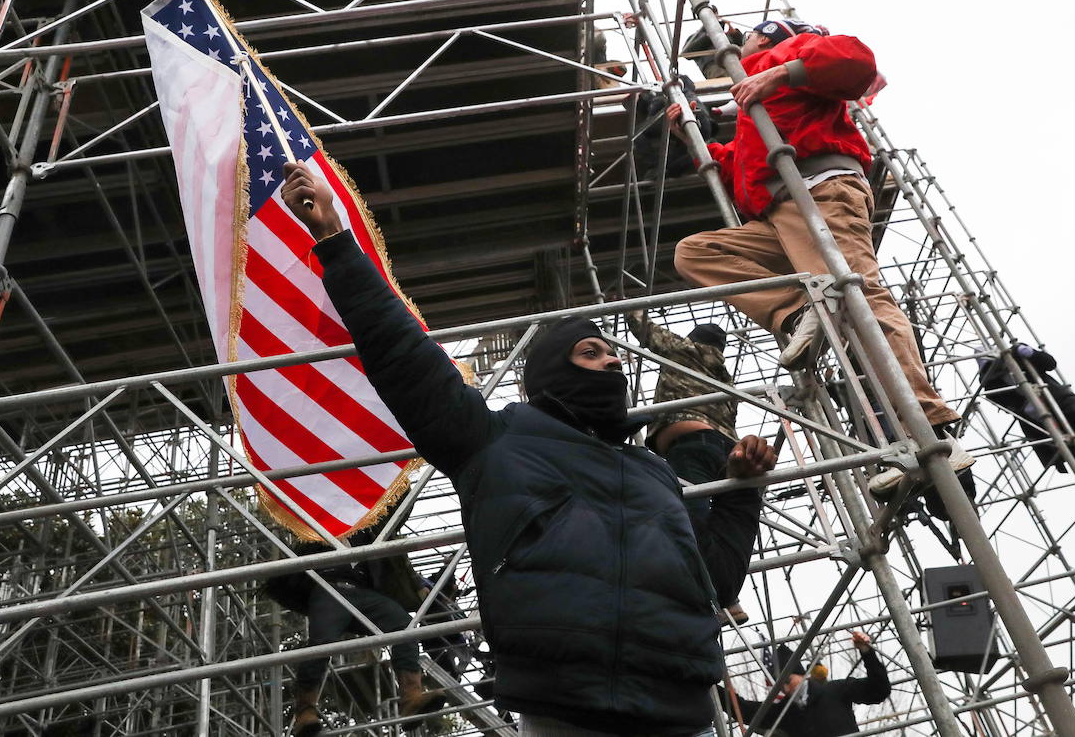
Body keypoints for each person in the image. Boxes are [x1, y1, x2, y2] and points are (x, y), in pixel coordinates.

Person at [279, 161, 778, 737]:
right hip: (565, 709)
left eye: (614, 356)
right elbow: (403, 354)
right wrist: (336, 243)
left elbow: (714, 581)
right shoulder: (493, 441)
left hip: (682, 712)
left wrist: (744, 492)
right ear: (547, 375)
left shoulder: (655, 474)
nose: (613, 362)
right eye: (590, 353)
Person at [669, 18, 971, 495]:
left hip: (819, 190)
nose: (732, 48)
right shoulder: (755, 100)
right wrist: (697, 141)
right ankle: (797, 312)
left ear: (767, 36)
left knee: (860, 295)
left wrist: (781, 72)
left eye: (745, 39)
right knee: (697, 253)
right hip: (780, 210)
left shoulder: (792, 55)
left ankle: (930, 430)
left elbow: (855, 62)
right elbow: (745, 174)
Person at [625, 311, 751, 623]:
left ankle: (710, 597)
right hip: (723, 448)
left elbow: (647, 332)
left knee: (690, 522)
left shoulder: (687, 350)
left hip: (692, 446)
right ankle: (729, 596)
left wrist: (629, 309)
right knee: (720, 522)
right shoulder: (723, 375)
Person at [268, 522, 447, 736]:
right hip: (329, 587)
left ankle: (411, 694)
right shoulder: (316, 525)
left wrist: (417, 583)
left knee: (402, 623)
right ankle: (305, 710)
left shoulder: (370, 528)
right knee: (322, 643)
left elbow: (395, 512)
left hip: (363, 592)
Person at [978, 343, 1075, 484]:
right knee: (1067, 447)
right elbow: (1007, 404)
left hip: (1057, 398)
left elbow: (1050, 363)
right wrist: (1026, 400)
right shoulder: (991, 384)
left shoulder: (1016, 354)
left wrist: (1032, 354)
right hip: (1038, 417)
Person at [724, 632, 890, 737]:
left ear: (801, 674)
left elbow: (878, 691)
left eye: (787, 680)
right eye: (779, 685)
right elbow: (745, 710)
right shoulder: (783, 711)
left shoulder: (836, 690)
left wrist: (868, 654)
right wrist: (708, 683)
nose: (785, 688)